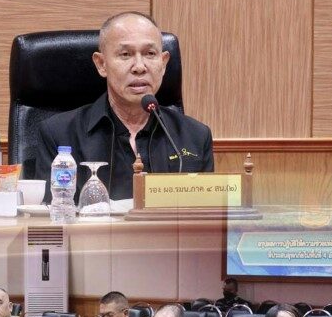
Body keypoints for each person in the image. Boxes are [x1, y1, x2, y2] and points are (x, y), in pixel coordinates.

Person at [35, 12, 213, 202]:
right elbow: (52, 213)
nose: (139, 67)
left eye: (150, 54)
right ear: (101, 64)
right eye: (125, 54)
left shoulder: (195, 136)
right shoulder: (59, 134)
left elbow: (206, 212)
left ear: (163, 63)